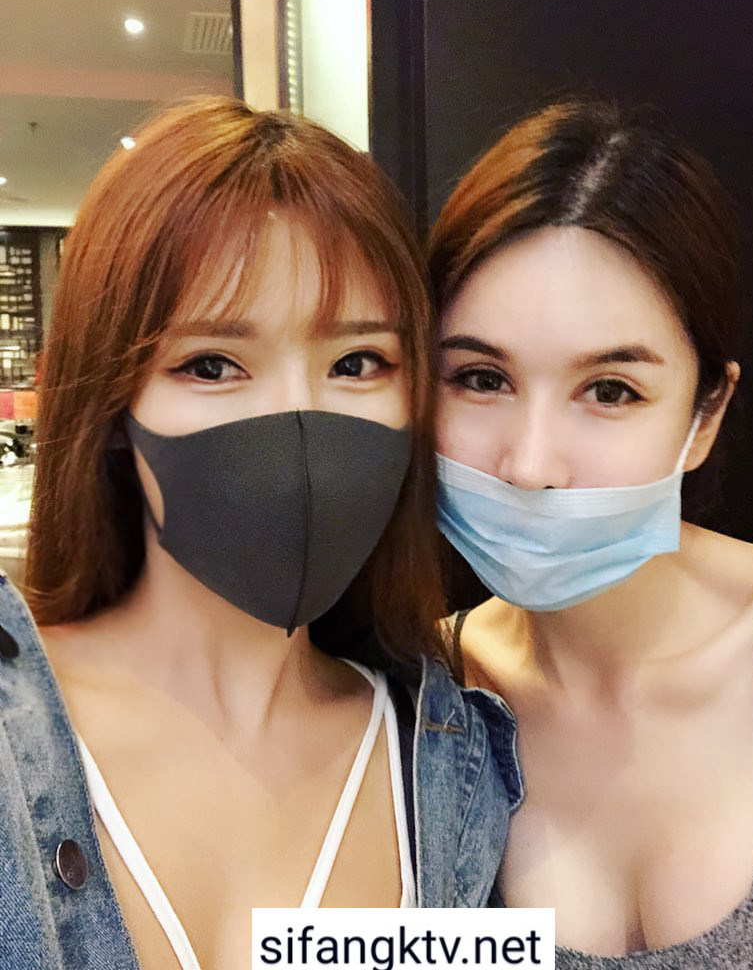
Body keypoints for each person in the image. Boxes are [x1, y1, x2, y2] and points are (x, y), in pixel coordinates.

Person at [0, 97, 521, 970]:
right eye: (211, 365)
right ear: (114, 403)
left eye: (357, 362)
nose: (296, 425)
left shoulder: (454, 763)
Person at [429, 98, 753, 965]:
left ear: (705, 415)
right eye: (481, 378)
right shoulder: (426, 695)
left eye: (610, 391)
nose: (530, 465)